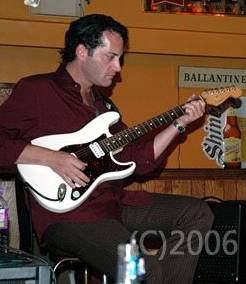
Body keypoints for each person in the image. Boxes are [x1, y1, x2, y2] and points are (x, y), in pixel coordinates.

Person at [0, 14, 213, 283]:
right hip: (68, 218)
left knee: (196, 213)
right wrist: (52, 158)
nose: (117, 67)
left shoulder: (105, 108)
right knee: (142, 269)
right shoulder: (38, 91)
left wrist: (179, 124)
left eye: (120, 59)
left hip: (112, 205)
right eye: (110, 57)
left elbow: (138, 158)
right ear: (81, 51)